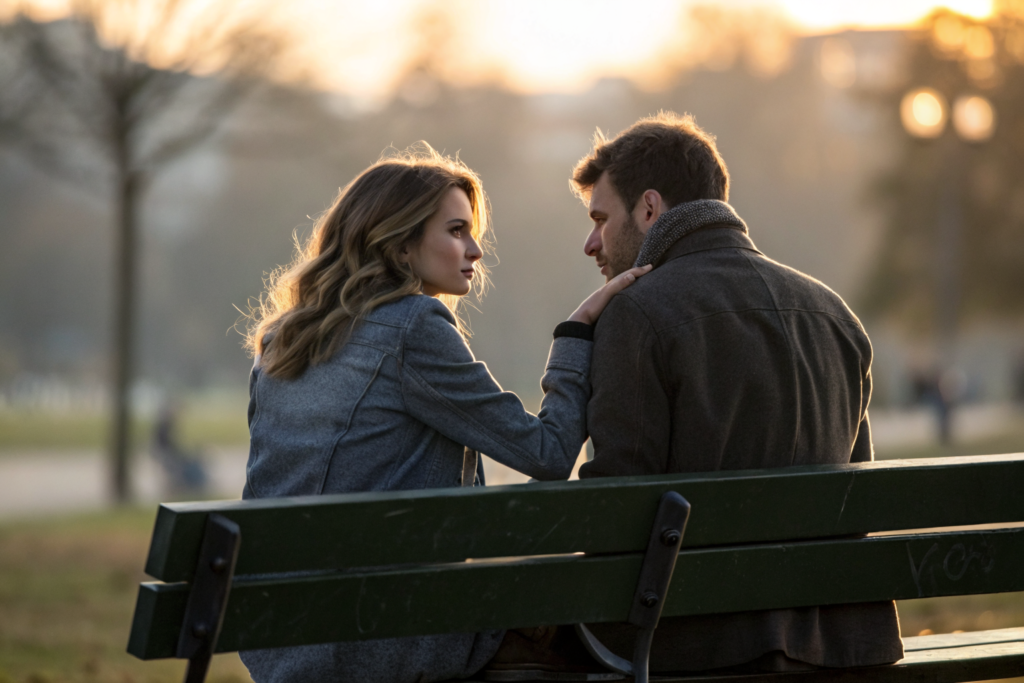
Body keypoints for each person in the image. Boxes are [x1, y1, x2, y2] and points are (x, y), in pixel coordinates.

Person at [238, 144, 650, 683]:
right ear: (401, 244)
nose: (475, 250)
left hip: (278, 636)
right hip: (380, 637)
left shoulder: (280, 339)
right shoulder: (413, 326)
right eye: (456, 231)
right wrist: (576, 334)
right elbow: (547, 454)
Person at [568, 112, 904, 674]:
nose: (590, 243)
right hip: (841, 648)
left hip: (699, 649)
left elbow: (616, 516)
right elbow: (854, 505)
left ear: (650, 208)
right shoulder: (834, 314)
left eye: (601, 218)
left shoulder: (637, 315)